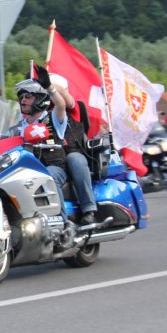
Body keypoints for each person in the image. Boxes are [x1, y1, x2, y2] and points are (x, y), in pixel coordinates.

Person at [14, 65, 74, 226]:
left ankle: (63, 223)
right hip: (29, 170)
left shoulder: (53, 118)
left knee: (48, 178)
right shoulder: (19, 126)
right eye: (21, 97)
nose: (23, 100)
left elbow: (61, 105)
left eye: (28, 96)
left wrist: (49, 87)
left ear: (40, 99)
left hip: (55, 167)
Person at [47, 74, 98, 225]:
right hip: (53, 159)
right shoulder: (41, 112)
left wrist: (49, 86)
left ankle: (89, 208)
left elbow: (66, 102)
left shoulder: (74, 107)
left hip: (74, 152)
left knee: (74, 159)